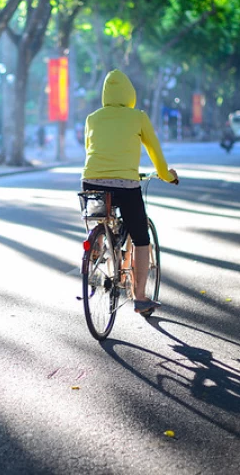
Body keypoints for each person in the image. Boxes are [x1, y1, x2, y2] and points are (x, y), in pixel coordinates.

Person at [81, 69, 179, 315]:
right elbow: (156, 153)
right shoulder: (138, 117)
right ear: (130, 94)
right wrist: (167, 176)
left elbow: (90, 148)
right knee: (140, 237)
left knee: (100, 216)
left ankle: (98, 242)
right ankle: (141, 297)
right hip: (125, 184)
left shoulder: (92, 118)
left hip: (91, 180)